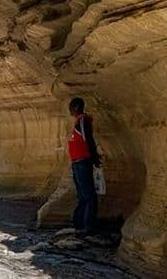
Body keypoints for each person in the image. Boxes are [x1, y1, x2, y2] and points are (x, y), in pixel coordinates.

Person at [67, 96, 101, 235]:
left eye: (71, 108)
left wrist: (94, 157)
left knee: (88, 196)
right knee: (83, 195)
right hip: (77, 163)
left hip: (82, 162)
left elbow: (89, 140)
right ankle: (79, 224)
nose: (70, 111)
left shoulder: (83, 120)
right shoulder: (79, 121)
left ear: (75, 108)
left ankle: (87, 226)